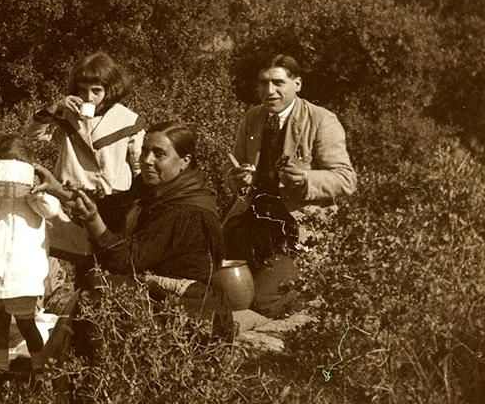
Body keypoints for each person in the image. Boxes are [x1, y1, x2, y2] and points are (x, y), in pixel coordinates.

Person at [50, 121, 233, 339]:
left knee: (100, 285)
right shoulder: (154, 189)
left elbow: (125, 259)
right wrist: (59, 190)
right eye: (145, 151)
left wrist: (92, 219)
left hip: (184, 308)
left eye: (159, 154)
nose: (147, 160)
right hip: (154, 290)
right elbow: (111, 207)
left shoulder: (188, 212)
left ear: (185, 161)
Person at [223, 54, 356, 317]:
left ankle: (307, 294)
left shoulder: (321, 120)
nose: (269, 91)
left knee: (263, 302)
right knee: (217, 280)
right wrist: (238, 178)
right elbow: (232, 169)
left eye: (277, 83)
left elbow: (345, 179)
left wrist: (305, 180)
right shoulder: (253, 118)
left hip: (299, 231)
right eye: (263, 83)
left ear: (297, 84)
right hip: (254, 223)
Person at [0, 134, 62, 384]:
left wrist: (34, 192)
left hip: (20, 269)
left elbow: (52, 210)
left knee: (26, 322)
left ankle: (39, 366)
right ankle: (0, 365)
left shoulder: (32, 194)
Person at [24, 51, 144, 255]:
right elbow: (33, 135)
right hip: (70, 198)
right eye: (83, 90)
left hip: (113, 204)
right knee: (69, 258)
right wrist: (53, 109)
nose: (89, 97)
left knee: (108, 259)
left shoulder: (128, 120)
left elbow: (138, 165)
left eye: (96, 91)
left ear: (110, 88)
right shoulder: (66, 114)